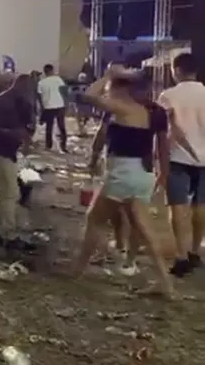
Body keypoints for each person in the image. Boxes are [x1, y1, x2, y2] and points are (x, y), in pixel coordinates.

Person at [75, 65, 173, 297]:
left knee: (95, 219)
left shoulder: (124, 107)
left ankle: (76, 270)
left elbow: (89, 95)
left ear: (121, 88)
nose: (108, 92)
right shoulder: (154, 110)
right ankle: (165, 283)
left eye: (111, 88)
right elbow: (163, 145)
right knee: (145, 229)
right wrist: (164, 172)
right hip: (143, 173)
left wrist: (108, 75)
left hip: (122, 172)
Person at [157, 52, 205, 277]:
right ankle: (195, 251)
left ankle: (181, 256)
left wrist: (158, 161)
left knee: (177, 207)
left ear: (176, 71)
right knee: (201, 206)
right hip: (204, 160)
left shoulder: (168, 95)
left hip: (177, 158)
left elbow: (162, 131)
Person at [0, 74, 36, 250]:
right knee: (11, 193)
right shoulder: (2, 101)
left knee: (0, 190)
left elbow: (28, 126)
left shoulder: (20, 102)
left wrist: (25, 138)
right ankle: (8, 234)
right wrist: (13, 133)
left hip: (6, 151)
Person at [38, 63, 68, 152]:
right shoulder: (58, 79)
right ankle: (63, 146)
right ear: (52, 71)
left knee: (49, 127)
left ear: (45, 72)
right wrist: (66, 103)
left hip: (48, 106)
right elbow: (64, 91)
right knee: (61, 126)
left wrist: (42, 107)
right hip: (59, 105)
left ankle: (48, 146)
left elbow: (39, 96)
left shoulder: (41, 83)